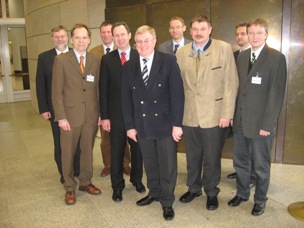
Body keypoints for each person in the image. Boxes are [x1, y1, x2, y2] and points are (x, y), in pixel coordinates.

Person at [176, 15, 239, 210]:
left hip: (214, 115)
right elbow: (177, 86)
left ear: (210, 29)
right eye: (194, 29)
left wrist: (226, 114)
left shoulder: (223, 48)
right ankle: (193, 188)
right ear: (190, 31)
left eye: (202, 29)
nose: (198, 33)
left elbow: (231, 82)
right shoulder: (181, 52)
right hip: (189, 114)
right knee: (192, 156)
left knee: (211, 157)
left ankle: (211, 191)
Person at [122, 25, 184, 220]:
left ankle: (167, 201)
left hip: (165, 123)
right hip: (142, 124)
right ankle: (154, 192)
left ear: (155, 41)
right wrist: (130, 126)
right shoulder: (129, 66)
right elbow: (126, 99)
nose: (143, 45)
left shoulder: (168, 61)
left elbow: (177, 95)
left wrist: (177, 124)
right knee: (149, 162)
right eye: (139, 42)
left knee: (167, 165)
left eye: (147, 40)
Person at [227, 18, 287, 216]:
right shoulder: (242, 57)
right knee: (240, 161)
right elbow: (238, 90)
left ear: (266, 34)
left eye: (258, 33)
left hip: (261, 123)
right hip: (241, 121)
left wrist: (267, 124)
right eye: (250, 33)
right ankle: (242, 193)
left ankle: (260, 199)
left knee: (261, 166)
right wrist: (233, 116)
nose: (254, 37)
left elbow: (276, 93)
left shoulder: (276, 58)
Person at [52, 24, 102, 205]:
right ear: (71, 40)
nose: (81, 41)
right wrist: (61, 117)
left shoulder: (95, 60)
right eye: (77, 37)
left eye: (84, 38)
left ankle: (86, 182)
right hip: (69, 117)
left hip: (90, 114)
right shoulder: (62, 60)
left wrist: (100, 114)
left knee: (87, 151)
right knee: (68, 152)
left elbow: (97, 89)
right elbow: (56, 92)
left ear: (89, 40)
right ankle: (69, 187)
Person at [99, 22, 146, 202]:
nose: (119, 38)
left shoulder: (139, 55)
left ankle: (137, 179)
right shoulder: (107, 59)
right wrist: (105, 117)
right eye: (115, 35)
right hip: (116, 115)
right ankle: (117, 186)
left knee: (137, 150)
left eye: (122, 34)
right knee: (117, 151)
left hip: (137, 114)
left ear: (129, 34)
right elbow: (103, 90)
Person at [36, 25, 80, 184]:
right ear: (52, 39)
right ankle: (64, 172)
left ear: (67, 38)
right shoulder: (44, 57)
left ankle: (76, 168)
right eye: (56, 37)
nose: (59, 39)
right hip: (55, 109)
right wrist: (44, 108)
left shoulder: (76, 54)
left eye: (62, 36)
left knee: (77, 140)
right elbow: (41, 84)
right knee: (60, 141)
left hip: (75, 107)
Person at [90, 21, 131, 177]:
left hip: (124, 103)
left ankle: (125, 163)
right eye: (104, 32)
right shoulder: (94, 52)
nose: (106, 35)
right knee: (106, 137)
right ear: (100, 34)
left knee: (125, 136)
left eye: (109, 32)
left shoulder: (122, 49)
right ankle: (108, 164)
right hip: (104, 100)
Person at [227, 22, 253, 181]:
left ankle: (252, 176)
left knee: (251, 146)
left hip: (250, 110)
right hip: (236, 108)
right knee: (239, 145)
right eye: (237, 34)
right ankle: (241, 172)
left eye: (243, 33)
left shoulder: (257, 57)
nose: (239, 37)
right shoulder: (234, 56)